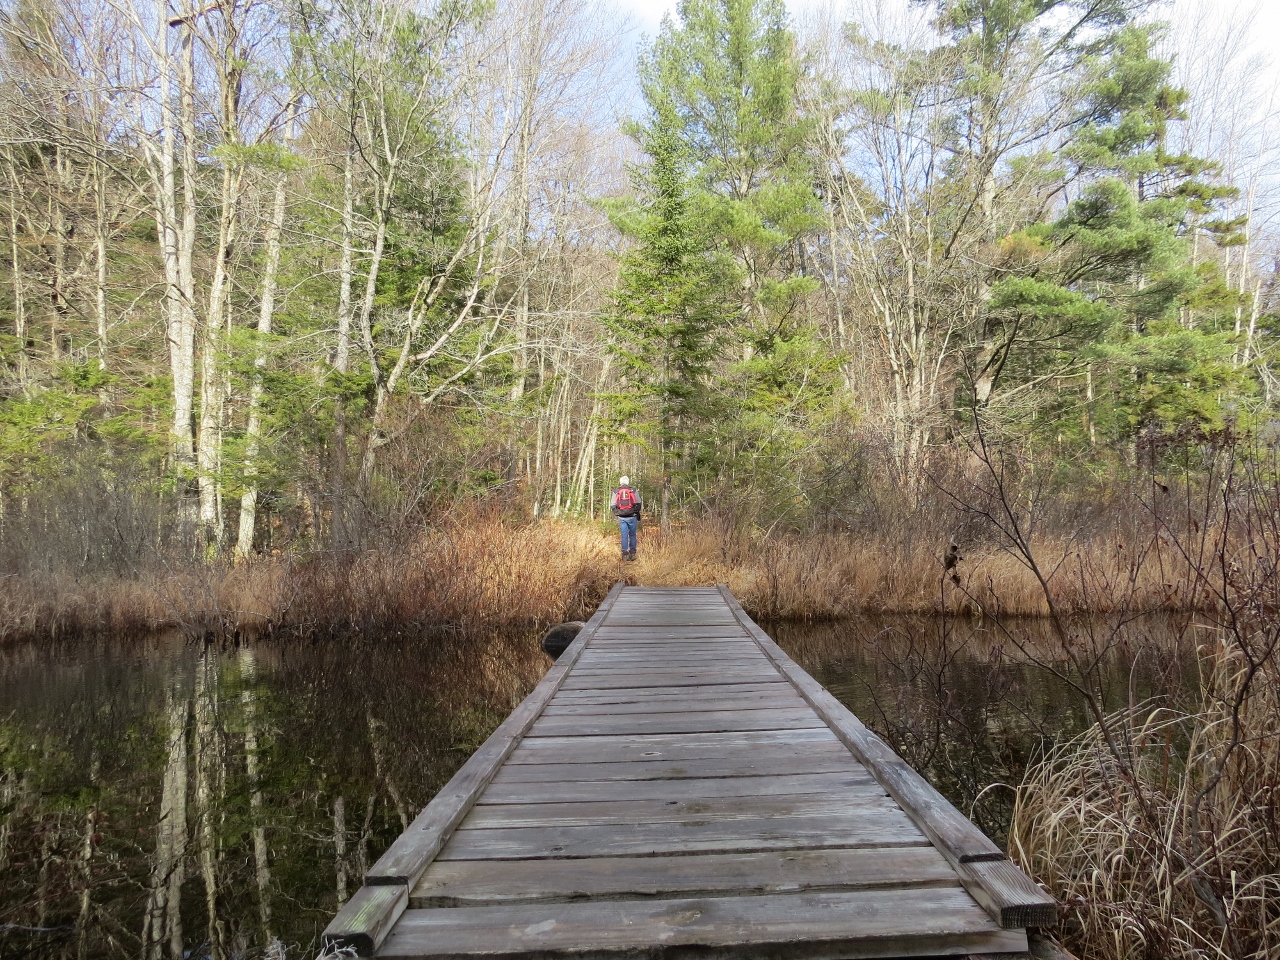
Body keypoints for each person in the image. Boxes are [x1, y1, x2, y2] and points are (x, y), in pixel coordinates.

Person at [610, 476, 642, 561]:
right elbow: (639, 503)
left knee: (624, 535)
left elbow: (613, 504)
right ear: (628, 482)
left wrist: (618, 513)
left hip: (621, 517)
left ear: (620, 482)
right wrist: (634, 511)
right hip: (632, 516)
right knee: (632, 535)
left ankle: (625, 554)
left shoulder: (616, 491)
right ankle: (632, 554)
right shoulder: (633, 490)